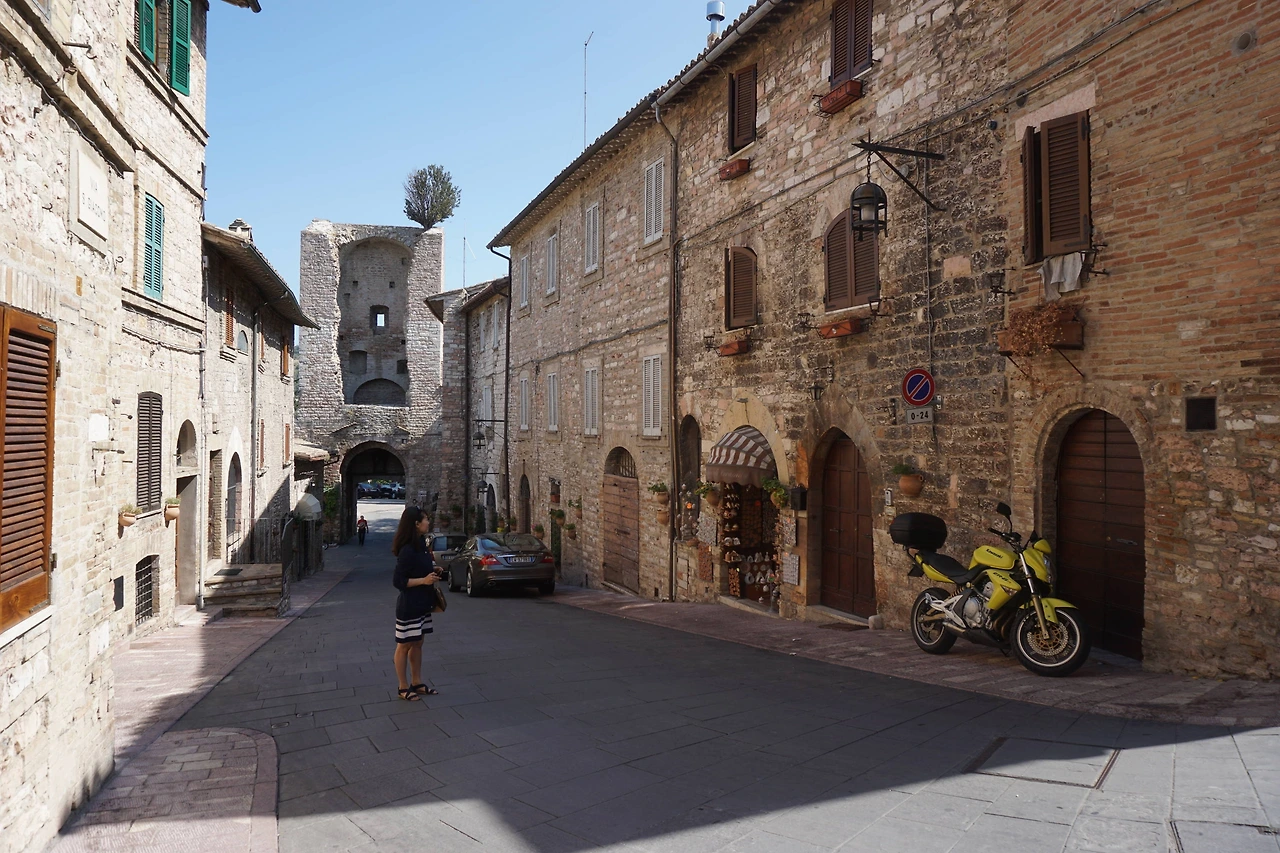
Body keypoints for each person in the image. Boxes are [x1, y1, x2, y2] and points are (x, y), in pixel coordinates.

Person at [390, 506, 440, 700]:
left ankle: (417, 682)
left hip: (422, 604)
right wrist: (423, 581)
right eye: (425, 519)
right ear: (416, 524)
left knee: (418, 642)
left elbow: (419, 569)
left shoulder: (421, 545)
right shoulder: (408, 550)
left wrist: (433, 571)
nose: (428, 522)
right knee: (404, 645)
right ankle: (403, 687)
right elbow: (398, 581)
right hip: (409, 605)